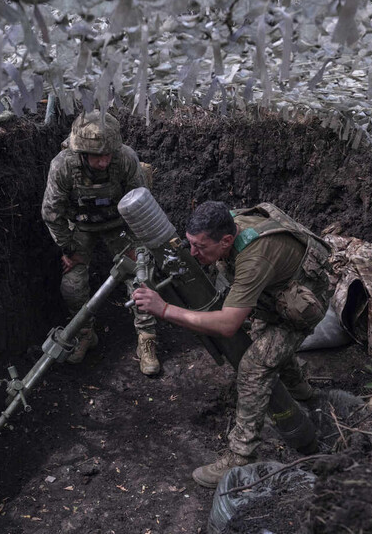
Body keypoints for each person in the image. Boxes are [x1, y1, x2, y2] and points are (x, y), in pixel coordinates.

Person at [131, 201, 334, 487]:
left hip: (301, 303)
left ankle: (241, 456)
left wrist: (164, 310)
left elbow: (228, 325)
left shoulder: (254, 259)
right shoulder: (229, 223)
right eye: (190, 244)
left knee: (254, 365)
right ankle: (303, 393)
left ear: (227, 240)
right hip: (274, 294)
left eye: (200, 247)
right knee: (268, 342)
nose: (193, 253)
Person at [41, 110, 159, 375]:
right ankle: (84, 333)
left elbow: (141, 203)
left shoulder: (126, 159)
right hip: (81, 228)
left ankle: (147, 339)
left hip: (119, 225)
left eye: (108, 155)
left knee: (142, 274)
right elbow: (51, 214)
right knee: (71, 284)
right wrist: (69, 249)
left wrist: (136, 244)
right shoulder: (62, 166)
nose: (104, 163)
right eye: (97, 156)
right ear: (81, 153)